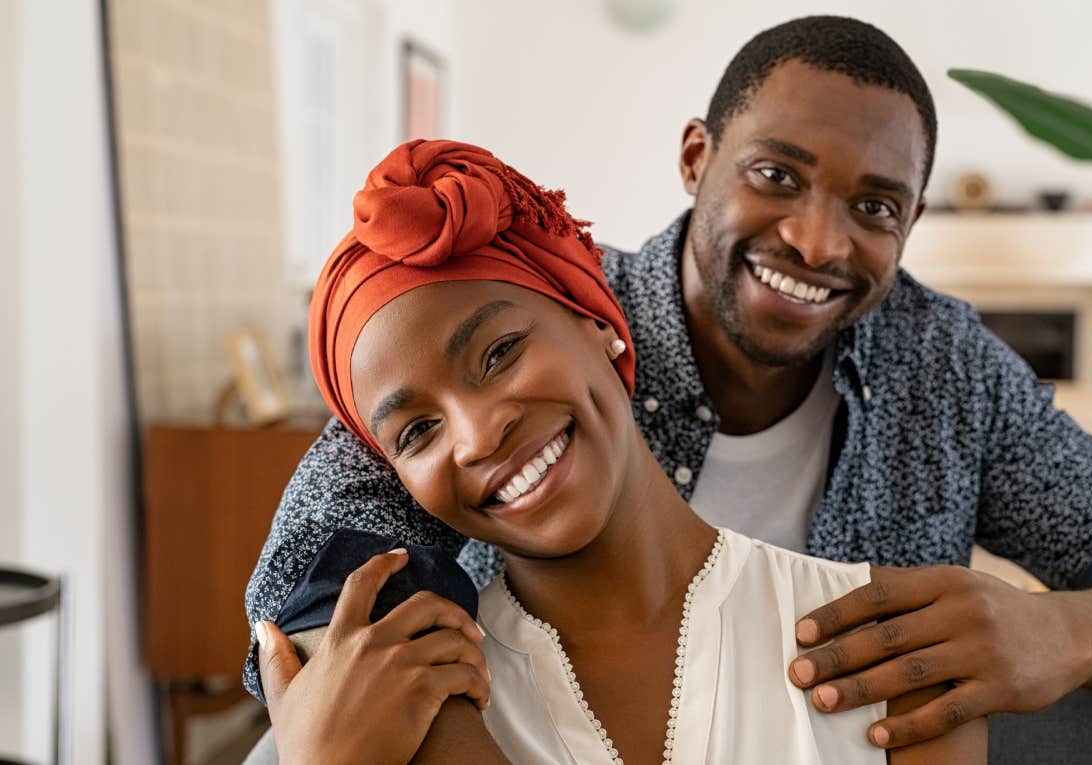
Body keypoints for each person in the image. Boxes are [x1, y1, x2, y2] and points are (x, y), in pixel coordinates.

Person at [245, 15, 1092, 752]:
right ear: (697, 159)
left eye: (874, 206)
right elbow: (311, 585)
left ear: (910, 227)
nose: (819, 240)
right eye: (775, 176)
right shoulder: (529, 332)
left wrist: (1070, 629)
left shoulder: (946, 370)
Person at [256, 138, 988, 764]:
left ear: (599, 323)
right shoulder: (398, 699)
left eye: (500, 352)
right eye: (417, 432)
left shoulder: (892, 650)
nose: (477, 435)